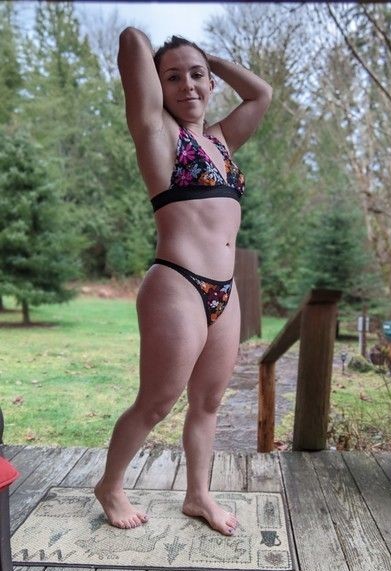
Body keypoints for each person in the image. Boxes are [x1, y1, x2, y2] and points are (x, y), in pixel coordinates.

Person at [94, 28, 272, 535]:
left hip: (225, 291)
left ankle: (198, 495)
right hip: (177, 284)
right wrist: (167, 66)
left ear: (211, 83)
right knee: (156, 403)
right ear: (158, 87)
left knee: (209, 403)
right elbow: (131, 40)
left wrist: (208, 59)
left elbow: (261, 94)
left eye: (197, 76)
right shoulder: (158, 132)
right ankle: (110, 485)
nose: (187, 85)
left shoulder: (220, 140)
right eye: (173, 78)